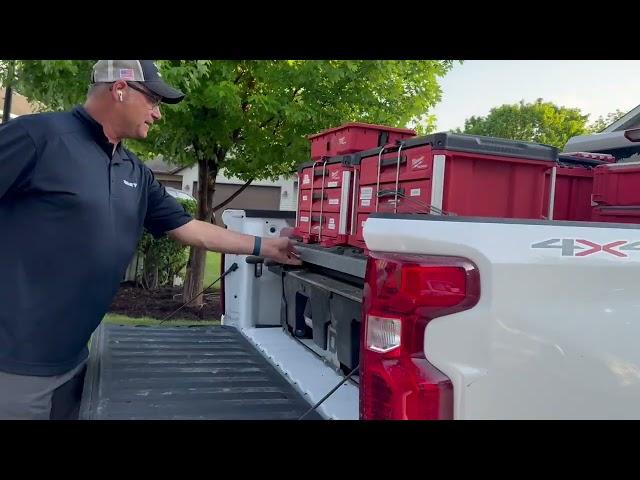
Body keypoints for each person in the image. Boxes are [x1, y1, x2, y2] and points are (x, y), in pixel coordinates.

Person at [0, 60, 302, 419]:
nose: (158, 114)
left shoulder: (133, 171)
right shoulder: (39, 137)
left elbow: (188, 227)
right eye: (153, 100)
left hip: (77, 357)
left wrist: (268, 247)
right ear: (120, 89)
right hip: (15, 366)